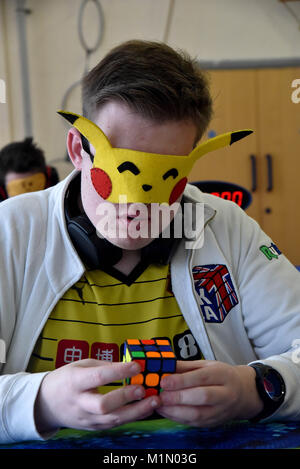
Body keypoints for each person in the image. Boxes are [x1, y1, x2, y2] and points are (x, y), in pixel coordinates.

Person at [0, 40, 300, 444]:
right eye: (120, 171)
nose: (136, 206)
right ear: (77, 149)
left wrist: (256, 389)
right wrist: (39, 402)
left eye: (166, 177)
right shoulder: (12, 233)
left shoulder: (224, 227)